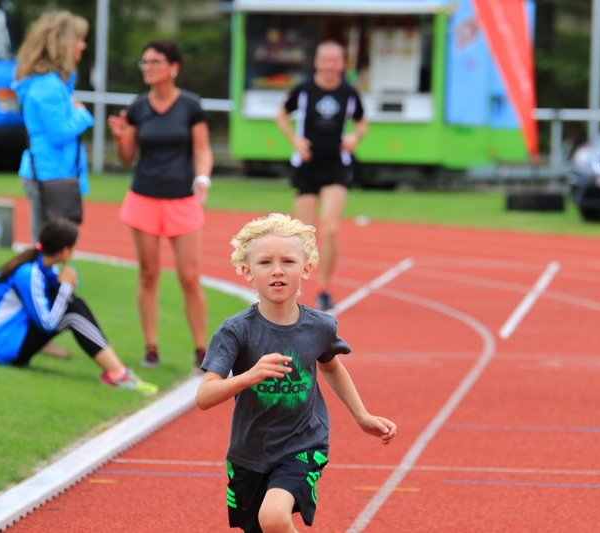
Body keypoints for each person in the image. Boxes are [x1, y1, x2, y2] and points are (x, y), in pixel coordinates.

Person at [196, 213, 397, 533]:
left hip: (303, 445)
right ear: (247, 271)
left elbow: (331, 365)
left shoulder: (319, 327)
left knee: (274, 518)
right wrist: (249, 376)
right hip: (249, 452)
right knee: (264, 527)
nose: (277, 270)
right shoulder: (235, 331)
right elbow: (204, 396)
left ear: (306, 269)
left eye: (288, 261)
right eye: (265, 262)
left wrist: (362, 416)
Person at [107, 39, 213, 370]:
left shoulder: (191, 105)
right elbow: (127, 157)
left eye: (155, 62)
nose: (148, 67)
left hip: (182, 200)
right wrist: (120, 138)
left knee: (190, 278)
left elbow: (202, 149)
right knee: (148, 275)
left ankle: (202, 350)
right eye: (145, 62)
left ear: (173, 67)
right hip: (144, 198)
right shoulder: (137, 107)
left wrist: (203, 178)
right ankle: (150, 347)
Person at [0, 217, 158, 396]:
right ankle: (118, 375)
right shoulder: (28, 272)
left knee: (75, 305)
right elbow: (47, 323)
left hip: (6, 342)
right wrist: (64, 287)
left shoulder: (45, 266)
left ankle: (117, 373)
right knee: (72, 312)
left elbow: (62, 296)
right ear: (65, 251)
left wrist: (68, 285)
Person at [275, 41, 368, 311]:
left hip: (336, 165)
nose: (329, 65)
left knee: (331, 228)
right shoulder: (304, 90)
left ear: (342, 64)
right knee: (304, 233)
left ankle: (323, 288)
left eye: (334, 60)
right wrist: (295, 141)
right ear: (317, 62)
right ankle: (293, 286)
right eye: (325, 60)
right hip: (307, 166)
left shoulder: (349, 93)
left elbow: (362, 121)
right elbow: (281, 116)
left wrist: (355, 137)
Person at [13, 10, 93, 244]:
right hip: (49, 176)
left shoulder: (53, 84)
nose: (83, 45)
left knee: (52, 248)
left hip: (53, 175)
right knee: (49, 250)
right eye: (79, 39)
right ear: (63, 43)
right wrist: (82, 115)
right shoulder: (48, 86)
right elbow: (59, 133)